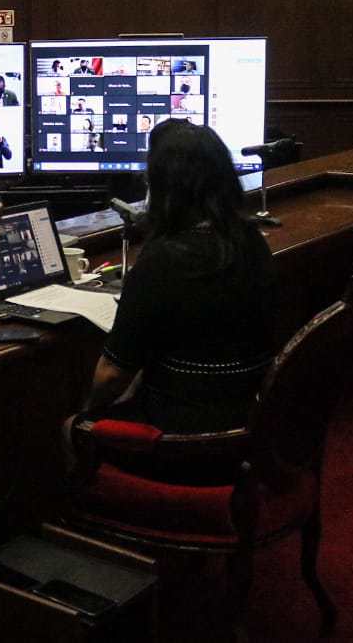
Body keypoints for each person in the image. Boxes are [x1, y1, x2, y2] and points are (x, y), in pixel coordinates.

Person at [67, 121, 277, 477]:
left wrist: (87, 407)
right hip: (250, 426)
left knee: (71, 424)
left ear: (164, 188)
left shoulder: (162, 261)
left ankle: (88, 517)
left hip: (180, 440)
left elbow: (111, 375)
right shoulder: (252, 241)